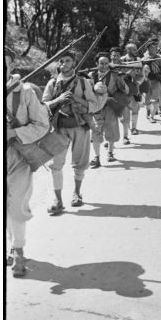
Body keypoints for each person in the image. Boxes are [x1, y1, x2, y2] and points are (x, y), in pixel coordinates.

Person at [6, 47, 50, 277]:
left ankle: (19, 252)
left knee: (17, 207)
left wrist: (14, 134)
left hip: (17, 156)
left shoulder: (24, 92)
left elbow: (43, 125)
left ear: (11, 66)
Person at [42, 51, 99, 214]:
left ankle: (77, 193)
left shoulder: (82, 82)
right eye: (61, 61)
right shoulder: (52, 83)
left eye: (68, 61)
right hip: (58, 127)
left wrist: (76, 99)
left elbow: (94, 105)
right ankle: (58, 201)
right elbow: (43, 106)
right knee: (56, 165)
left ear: (74, 63)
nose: (64, 64)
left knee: (80, 163)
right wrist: (58, 101)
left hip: (79, 126)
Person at [89, 54, 130, 163]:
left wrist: (122, 80)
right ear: (97, 64)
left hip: (111, 108)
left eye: (106, 63)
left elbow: (126, 91)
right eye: (101, 63)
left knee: (111, 130)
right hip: (96, 108)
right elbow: (87, 93)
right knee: (96, 132)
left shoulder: (115, 76)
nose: (104, 65)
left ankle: (110, 153)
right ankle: (97, 157)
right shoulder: (91, 76)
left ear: (109, 64)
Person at [142, 39, 161, 122]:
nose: (154, 50)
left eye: (155, 48)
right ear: (148, 49)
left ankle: (152, 116)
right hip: (147, 80)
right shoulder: (144, 58)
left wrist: (160, 60)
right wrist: (145, 62)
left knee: (155, 99)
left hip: (157, 80)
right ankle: (148, 111)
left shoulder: (159, 57)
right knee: (147, 100)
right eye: (152, 48)